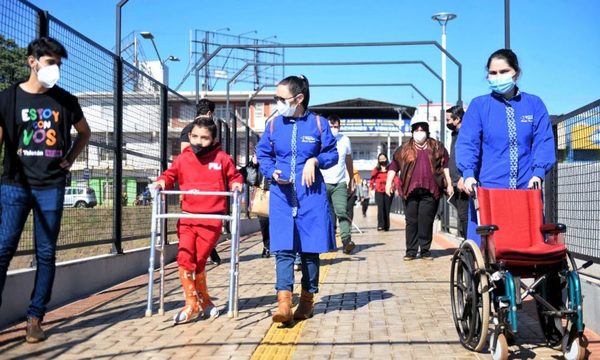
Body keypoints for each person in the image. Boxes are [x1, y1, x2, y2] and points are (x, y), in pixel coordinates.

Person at [0, 37, 91, 343]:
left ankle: (34, 318)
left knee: (46, 253)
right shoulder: (8, 98)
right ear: (33, 61)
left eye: (58, 64)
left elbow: (84, 133)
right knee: (3, 250)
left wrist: (70, 159)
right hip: (14, 186)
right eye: (51, 62)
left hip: (51, 186)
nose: (55, 69)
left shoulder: (65, 100)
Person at [256, 75, 338, 325]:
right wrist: (272, 172)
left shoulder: (319, 124)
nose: (277, 102)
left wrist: (316, 160)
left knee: (310, 252)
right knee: (283, 249)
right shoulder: (273, 125)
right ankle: (283, 304)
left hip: (311, 196)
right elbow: (262, 154)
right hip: (281, 197)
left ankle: (307, 300)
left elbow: (332, 154)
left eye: (281, 98)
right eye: (276, 98)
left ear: (299, 98)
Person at [456, 49, 556, 245]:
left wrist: (538, 173)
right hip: (488, 189)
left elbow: (543, 140)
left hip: (526, 187)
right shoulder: (479, 106)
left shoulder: (534, 104)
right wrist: (468, 174)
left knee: (526, 245)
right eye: (493, 73)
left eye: (504, 71)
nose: (498, 77)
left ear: (516, 73)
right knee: (486, 248)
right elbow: (468, 142)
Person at [152, 117, 243, 325]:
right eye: (194, 136)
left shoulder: (222, 158)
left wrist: (237, 185)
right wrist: (161, 181)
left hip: (211, 219)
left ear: (213, 139)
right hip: (188, 217)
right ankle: (191, 303)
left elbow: (235, 176)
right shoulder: (183, 158)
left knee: (199, 260)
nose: (198, 142)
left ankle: (205, 301)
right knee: (184, 258)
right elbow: (170, 174)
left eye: (204, 138)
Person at [386, 119, 453, 261]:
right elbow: (393, 166)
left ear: (427, 132)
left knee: (426, 220)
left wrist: (449, 183)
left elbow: (445, 165)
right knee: (411, 221)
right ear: (412, 132)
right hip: (410, 191)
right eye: (416, 130)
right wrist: (388, 183)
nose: (419, 133)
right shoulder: (403, 149)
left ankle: (425, 251)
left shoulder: (437, 147)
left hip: (431, 189)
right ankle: (410, 251)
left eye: (422, 130)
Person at [180, 98, 221, 266]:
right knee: (205, 219)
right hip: (205, 182)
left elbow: (183, 153)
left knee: (195, 218)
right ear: (210, 113)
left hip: (189, 182)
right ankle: (203, 254)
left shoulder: (187, 129)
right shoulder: (209, 130)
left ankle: (205, 253)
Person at [320, 114, 356, 255]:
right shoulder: (320, 140)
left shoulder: (345, 140)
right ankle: (328, 243)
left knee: (341, 211)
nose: (334, 129)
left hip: (339, 183)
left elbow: (348, 160)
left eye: (336, 126)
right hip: (322, 183)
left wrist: (351, 178)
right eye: (331, 126)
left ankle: (346, 241)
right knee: (326, 215)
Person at [446, 105, 469, 239]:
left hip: (464, 181)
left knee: (465, 215)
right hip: (456, 182)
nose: (447, 123)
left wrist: (463, 176)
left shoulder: (466, 133)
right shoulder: (454, 134)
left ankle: (469, 247)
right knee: (462, 215)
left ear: (457, 119)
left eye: (449, 120)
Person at [241, 154, 271, 258]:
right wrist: (253, 164)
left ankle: (279, 249)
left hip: (280, 192)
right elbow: (249, 178)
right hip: (263, 194)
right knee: (264, 222)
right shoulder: (261, 152)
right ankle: (267, 246)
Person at [369, 153, 392, 231]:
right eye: (380, 159)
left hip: (388, 190)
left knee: (387, 208)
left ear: (386, 159)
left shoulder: (390, 169)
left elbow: (395, 178)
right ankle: (380, 225)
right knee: (380, 207)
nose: (382, 160)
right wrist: (370, 189)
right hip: (378, 190)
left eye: (383, 158)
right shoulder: (376, 169)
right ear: (378, 160)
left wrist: (395, 187)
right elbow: (372, 180)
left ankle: (386, 225)